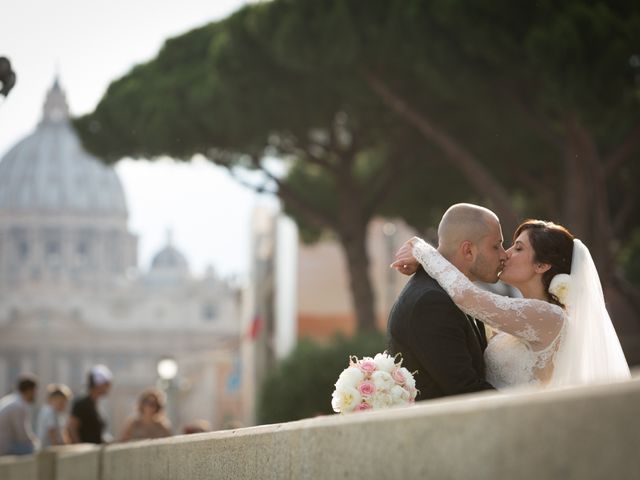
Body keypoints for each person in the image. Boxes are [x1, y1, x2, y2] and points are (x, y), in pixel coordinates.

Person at [393, 217, 631, 390]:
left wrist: (422, 250)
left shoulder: (549, 316)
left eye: (518, 248)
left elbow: (467, 297)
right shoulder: (518, 314)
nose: (505, 254)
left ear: (541, 266)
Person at [387, 203, 505, 400]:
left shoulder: (452, 293)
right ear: (468, 250)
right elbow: (466, 390)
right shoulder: (432, 303)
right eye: (496, 245)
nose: (504, 254)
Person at [67, 365, 112, 444]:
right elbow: (72, 428)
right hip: (85, 453)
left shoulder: (96, 406)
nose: (108, 387)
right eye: (106, 384)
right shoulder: (81, 404)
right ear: (98, 384)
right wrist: (79, 448)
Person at [0, 374, 39, 456]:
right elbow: (22, 435)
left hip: (4, 444)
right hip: (5, 447)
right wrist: (35, 442)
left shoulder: (10, 399)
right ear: (29, 390)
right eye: (35, 391)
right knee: (33, 448)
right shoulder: (19, 405)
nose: (36, 394)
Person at [36, 383, 72, 448]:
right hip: (49, 450)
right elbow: (52, 433)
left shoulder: (56, 413)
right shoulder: (49, 412)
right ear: (52, 399)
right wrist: (57, 450)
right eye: (61, 402)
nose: (64, 405)